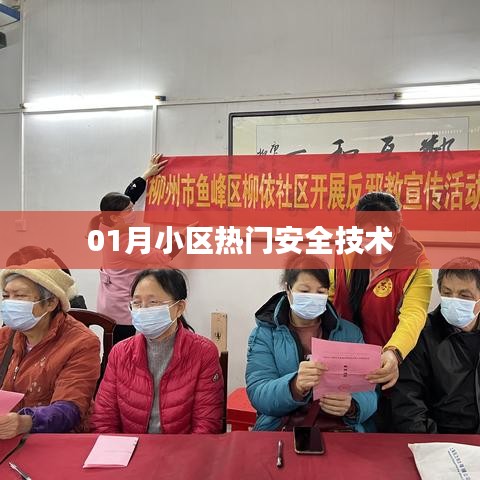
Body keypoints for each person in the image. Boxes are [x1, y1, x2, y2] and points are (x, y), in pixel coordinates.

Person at [329, 192, 433, 430]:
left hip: (389, 366)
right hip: (347, 362)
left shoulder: (415, 263)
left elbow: (413, 315)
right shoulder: (346, 251)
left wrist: (393, 353)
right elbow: (332, 298)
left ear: (397, 230)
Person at [245, 255, 377, 432]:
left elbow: (369, 391)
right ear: (288, 290)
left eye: (320, 292)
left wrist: (353, 405)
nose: (312, 298)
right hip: (283, 429)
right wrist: (294, 386)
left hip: (339, 431)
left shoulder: (350, 333)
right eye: (305, 291)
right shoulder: (265, 334)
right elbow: (258, 393)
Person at [90, 269, 224, 434]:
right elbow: (103, 420)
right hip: (131, 447)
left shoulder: (203, 353)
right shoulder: (120, 353)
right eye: (137, 303)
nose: (143, 310)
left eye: (153, 302)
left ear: (179, 307)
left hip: (182, 447)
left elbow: (206, 425)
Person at [0, 259, 100, 439]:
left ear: (51, 302)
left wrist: (26, 422)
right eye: (6, 296)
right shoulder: (5, 336)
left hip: (56, 440)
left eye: (20, 296)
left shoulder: (81, 342)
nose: (10, 303)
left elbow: (69, 409)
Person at [90, 154, 178, 344]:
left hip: (110, 301)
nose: (133, 212)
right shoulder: (122, 242)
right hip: (120, 310)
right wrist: (185, 235)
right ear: (116, 217)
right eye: (129, 210)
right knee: (122, 351)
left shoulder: (106, 223)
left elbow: (128, 196)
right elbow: (163, 256)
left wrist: (146, 175)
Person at [391, 257, 480, 434]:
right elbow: (408, 403)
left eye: (464, 296)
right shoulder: (422, 334)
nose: (454, 300)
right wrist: (433, 443)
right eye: (447, 293)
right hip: (437, 438)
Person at [5, 245, 87, 309]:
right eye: (6, 296)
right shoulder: (16, 311)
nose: (10, 301)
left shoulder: (75, 315)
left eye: (20, 295)